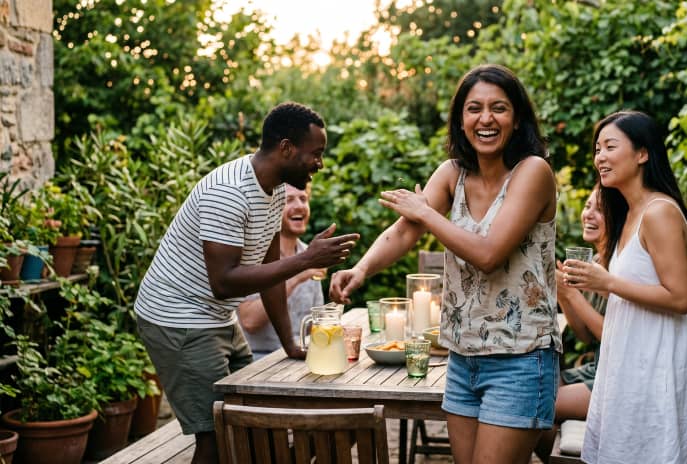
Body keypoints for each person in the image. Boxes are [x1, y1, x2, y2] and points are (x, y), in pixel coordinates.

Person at [330, 64, 560, 464]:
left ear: (517, 117)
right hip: (462, 357)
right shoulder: (452, 173)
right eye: (474, 109)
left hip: (521, 359)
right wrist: (362, 269)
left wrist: (428, 213)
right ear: (460, 119)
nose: (485, 119)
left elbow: (489, 254)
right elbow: (405, 231)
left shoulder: (533, 172)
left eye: (499, 108)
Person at [134, 102, 359, 464]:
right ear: (286, 148)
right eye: (315, 154)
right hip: (178, 319)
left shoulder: (271, 191)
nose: (320, 163)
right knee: (215, 437)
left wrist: (289, 344)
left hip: (216, 317)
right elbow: (224, 282)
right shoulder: (230, 192)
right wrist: (306, 259)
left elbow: (271, 270)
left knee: (253, 423)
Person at [563, 110, 687, 463]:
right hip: (630, 358)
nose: (600, 157)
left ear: (642, 154)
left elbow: (679, 298)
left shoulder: (660, 212)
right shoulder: (628, 212)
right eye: (598, 149)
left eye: (610, 146)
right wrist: (594, 284)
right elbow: (639, 285)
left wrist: (607, 282)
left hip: (654, 364)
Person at [534, 186, 607, 462]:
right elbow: (586, 336)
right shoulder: (597, 260)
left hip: (611, 379)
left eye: (599, 209)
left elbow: (609, 336)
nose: (589, 214)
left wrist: (572, 294)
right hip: (596, 368)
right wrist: (563, 295)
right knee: (534, 389)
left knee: (535, 406)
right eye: (588, 206)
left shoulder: (615, 269)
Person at [237, 183, 325, 360]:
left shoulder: (309, 253)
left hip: (299, 357)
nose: (299, 206)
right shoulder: (253, 256)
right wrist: (298, 276)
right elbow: (249, 321)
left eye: (303, 199)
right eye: (289, 200)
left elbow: (316, 324)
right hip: (257, 360)